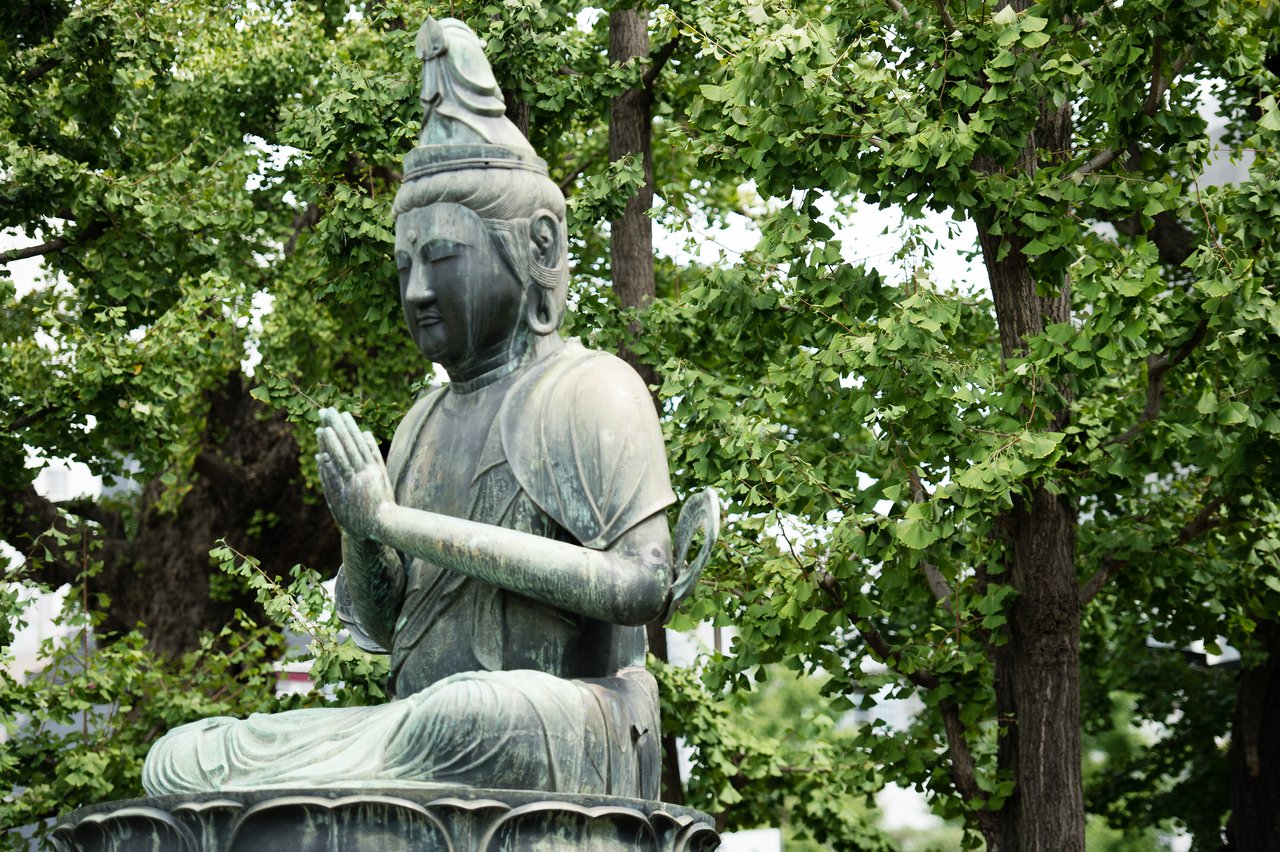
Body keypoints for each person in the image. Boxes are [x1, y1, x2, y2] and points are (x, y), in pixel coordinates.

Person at [142, 17, 714, 801]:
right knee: (185, 757)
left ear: (540, 248)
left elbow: (640, 588)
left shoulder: (593, 388)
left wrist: (394, 522)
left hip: (560, 719)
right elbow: (380, 630)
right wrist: (357, 528)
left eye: (443, 256)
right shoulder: (421, 422)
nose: (416, 290)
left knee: (476, 709)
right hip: (421, 723)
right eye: (405, 262)